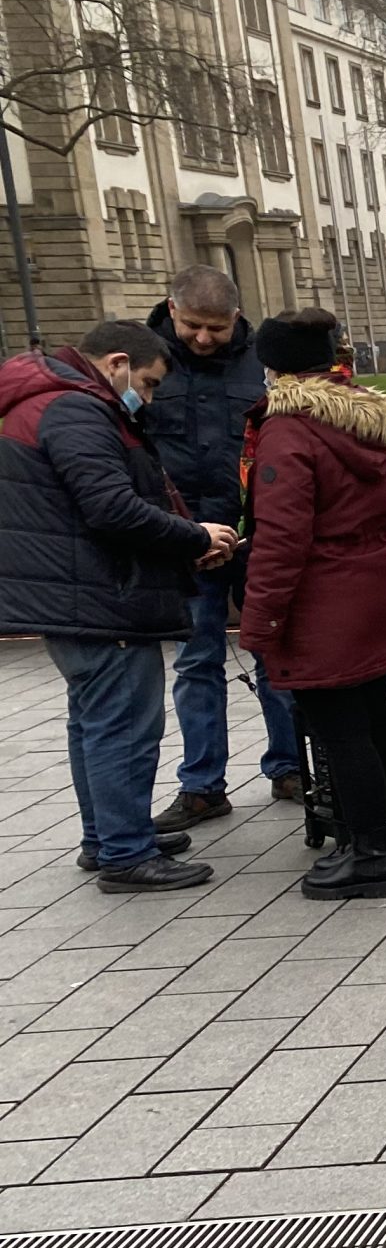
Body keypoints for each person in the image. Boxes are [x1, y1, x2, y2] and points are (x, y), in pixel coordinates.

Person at [0, 322, 234, 892]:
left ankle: (107, 837)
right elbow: (112, 508)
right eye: (148, 384)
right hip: (100, 595)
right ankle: (126, 853)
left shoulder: (46, 399)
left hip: (69, 592)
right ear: (117, 363)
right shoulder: (76, 409)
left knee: (94, 721)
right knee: (124, 726)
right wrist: (195, 537)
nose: (147, 399)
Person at [237, 309, 386, 901]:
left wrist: (260, 621)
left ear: (273, 367)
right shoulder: (364, 419)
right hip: (371, 583)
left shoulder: (289, 429)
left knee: (340, 733)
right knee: (373, 719)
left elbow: (280, 538)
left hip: (322, 597)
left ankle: (368, 853)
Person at [146, 264, 301, 828]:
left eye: (216, 327)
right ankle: (202, 785)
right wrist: (181, 532)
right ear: (171, 309)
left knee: (276, 656)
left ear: (236, 316)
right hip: (184, 539)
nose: (204, 338)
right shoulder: (145, 362)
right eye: (192, 326)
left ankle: (291, 768)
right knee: (196, 663)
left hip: (255, 536)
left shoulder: (265, 363)